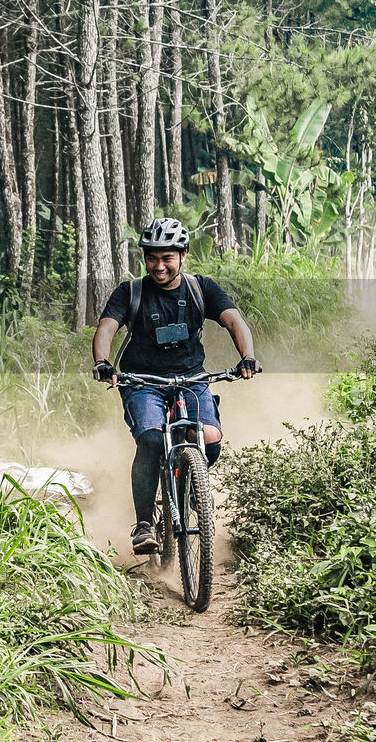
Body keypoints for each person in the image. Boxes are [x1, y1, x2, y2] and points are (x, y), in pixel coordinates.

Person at [91, 217, 260, 554]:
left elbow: (233, 320)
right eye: (152, 258)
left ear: (183, 255)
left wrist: (248, 356)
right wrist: (102, 362)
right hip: (142, 382)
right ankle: (144, 523)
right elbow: (107, 327)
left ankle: (192, 483)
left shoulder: (202, 288)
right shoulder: (131, 292)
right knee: (152, 439)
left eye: (167, 258)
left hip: (191, 378)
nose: (159, 266)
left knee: (209, 437)